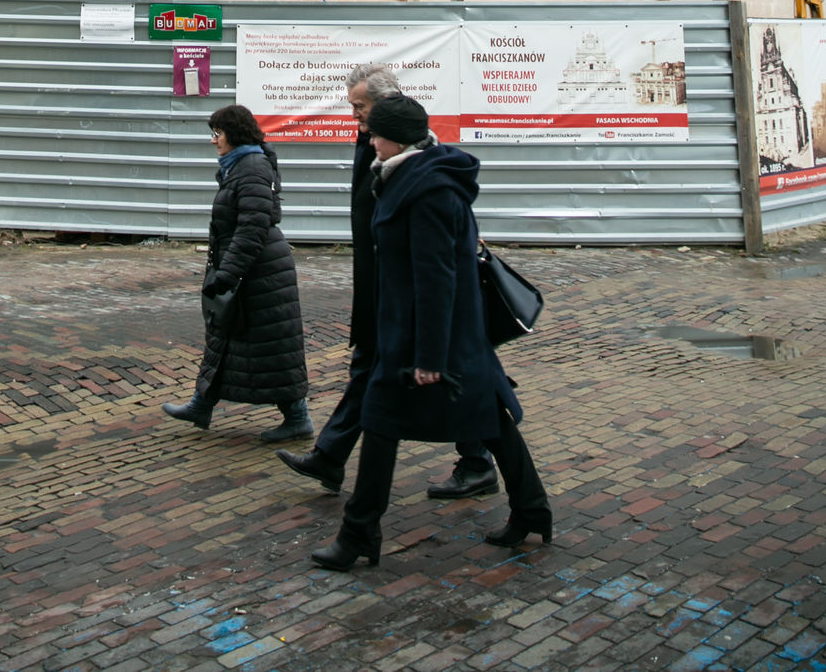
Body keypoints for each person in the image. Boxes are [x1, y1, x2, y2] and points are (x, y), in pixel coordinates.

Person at [311, 94, 551, 572]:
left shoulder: (429, 190)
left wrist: (430, 357)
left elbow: (438, 278)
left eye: (375, 133)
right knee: (486, 418)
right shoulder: (409, 176)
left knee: (391, 422)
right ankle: (531, 510)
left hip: (435, 338)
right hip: (419, 334)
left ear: (396, 138)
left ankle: (359, 533)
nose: (369, 140)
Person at [275, 63, 497, 499]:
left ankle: (480, 465)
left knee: (448, 380)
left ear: (386, 106)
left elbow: (433, 245)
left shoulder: (413, 156)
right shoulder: (373, 143)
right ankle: (333, 458)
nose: (355, 116)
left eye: (360, 107)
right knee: (373, 372)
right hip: (380, 284)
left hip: (402, 293)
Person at [163, 103, 311, 443]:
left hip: (260, 274)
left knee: (271, 348)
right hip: (251, 269)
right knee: (225, 338)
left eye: (218, 133)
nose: (214, 141)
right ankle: (202, 404)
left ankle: (298, 418)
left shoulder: (252, 167)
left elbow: (252, 227)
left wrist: (227, 273)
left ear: (235, 134)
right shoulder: (240, 166)